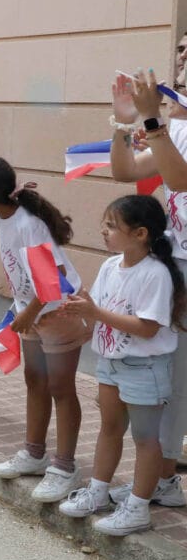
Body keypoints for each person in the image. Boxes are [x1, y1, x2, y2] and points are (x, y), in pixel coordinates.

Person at [0, 156, 87, 504]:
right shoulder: (7, 218)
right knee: (35, 379)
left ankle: (65, 466)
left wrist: (29, 313)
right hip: (32, 312)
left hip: (58, 312)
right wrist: (24, 309)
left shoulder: (28, 224)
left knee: (61, 387)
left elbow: (55, 279)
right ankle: (34, 452)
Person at [57, 196, 185, 537]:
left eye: (112, 226)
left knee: (145, 437)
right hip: (111, 362)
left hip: (145, 367)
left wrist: (94, 312)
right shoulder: (110, 266)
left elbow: (147, 327)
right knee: (109, 428)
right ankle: (98, 492)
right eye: (105, 223)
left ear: (141, 234)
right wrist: (81, 311)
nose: (104, 231)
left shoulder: (155, 274)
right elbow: (99, 311)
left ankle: (138, 508)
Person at [110, 67, 187, 507]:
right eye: (181, 53)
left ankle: (165, 478)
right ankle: (160, 477)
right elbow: (125, 170)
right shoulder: (174, 128)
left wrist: (153, 120)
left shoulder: (168, 127)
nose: (181, 63)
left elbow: (179, 179)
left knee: (176, 378)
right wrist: (124, 122)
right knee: (167, 371)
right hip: (175, 260)